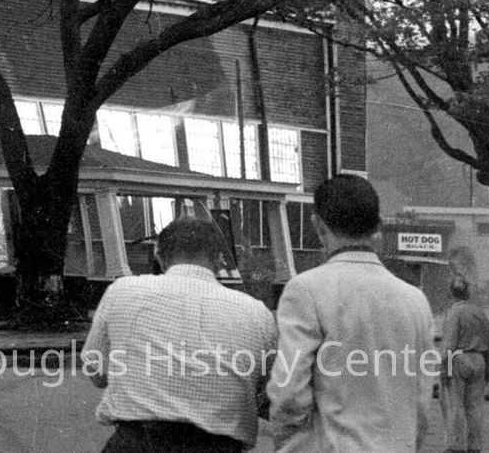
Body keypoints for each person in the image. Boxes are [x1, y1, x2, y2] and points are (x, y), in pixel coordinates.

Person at [265, 174, 435, 451]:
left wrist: (288, 438)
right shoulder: (416, 301)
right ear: (379, 224)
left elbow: (289, 391)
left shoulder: (306, 290)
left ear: (318, 225)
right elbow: (422, 398)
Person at [80, 216, 277, 451]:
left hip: (137, 443)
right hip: (217, 446)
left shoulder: (121, 292)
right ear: (219, 260)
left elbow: (96, 373)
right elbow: (269, 394)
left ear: (160, 257)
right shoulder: (257, 313)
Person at [435, 274, 489, 453]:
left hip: (458, 359)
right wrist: (488, 369)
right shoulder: (479, 313)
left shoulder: (454, 313)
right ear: (467, 293)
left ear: (450, 294)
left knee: (455, 405)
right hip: (479, 360)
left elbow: (449, 344)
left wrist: (443, 368)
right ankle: (475, 447)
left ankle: (456, 446)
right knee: (475, 407)